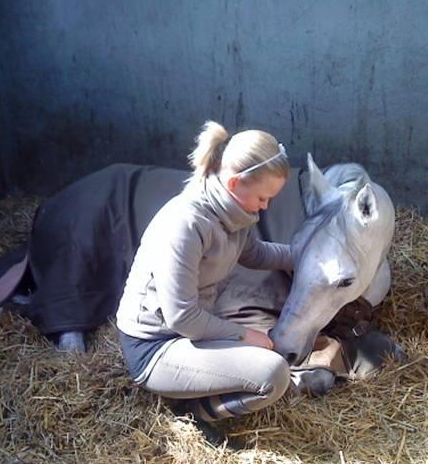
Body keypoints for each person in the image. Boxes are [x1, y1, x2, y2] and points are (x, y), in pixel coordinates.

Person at [115, 121, 294, 424]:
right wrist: (244, 335)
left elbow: (256, 253)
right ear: (236, 183)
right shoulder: (186, 224)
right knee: (273, 374)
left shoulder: (236, 214)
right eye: (263, 198)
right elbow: (182, 317)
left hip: (189, 333)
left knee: (269, 349)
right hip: (155, 347)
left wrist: (304, 257)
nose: (265, 207)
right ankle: (195, 415)